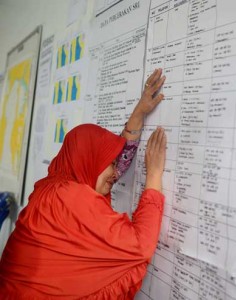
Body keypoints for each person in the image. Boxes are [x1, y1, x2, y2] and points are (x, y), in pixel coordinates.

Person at [0, 69, 167, 299]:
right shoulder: (70, 198)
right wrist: (155, 175)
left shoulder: (51, 189)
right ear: (88, 160)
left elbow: (107, 172)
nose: (116, 172)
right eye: (110, 163)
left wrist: (138, 114)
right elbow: (139, 246)